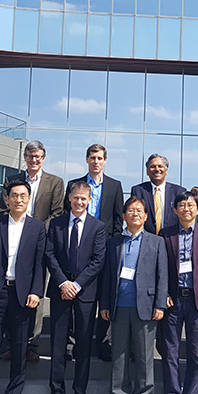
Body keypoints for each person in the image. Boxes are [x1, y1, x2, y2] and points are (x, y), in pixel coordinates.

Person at [0, 181, 46, 394]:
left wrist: (37, 291)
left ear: (29, 199)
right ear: (7, 199)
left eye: (23, 196)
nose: (18, 199)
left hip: (23, 294)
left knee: (19, 346)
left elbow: (40, 263)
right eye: (14, 196)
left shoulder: (37, 227)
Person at [42, 181, 106, 394]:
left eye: (84, 199)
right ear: (69, 198)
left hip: (86, 293)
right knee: (58, 345)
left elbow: (98, 260)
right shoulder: (56, 224)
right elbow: (49, 254)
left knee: (83, 346)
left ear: (89, 200)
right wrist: (63, 282)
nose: (79, 202)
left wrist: (77, 285)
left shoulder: (98, 226)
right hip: (60, 291)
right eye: (76, 198)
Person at [100, 197, 168, 394]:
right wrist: (105, 304)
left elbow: (162, 276)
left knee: (144, 356)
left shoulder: (156, 242)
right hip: (119, 306)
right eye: (131, 210)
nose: (135, 214)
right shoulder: (114, 243)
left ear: (146, 216)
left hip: (146, 308)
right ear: (124, 216)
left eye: (139, 210)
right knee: (119, 354)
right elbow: (107, 277)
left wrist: (159, 304)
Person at [1, 140, 64, 362]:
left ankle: (32, 344)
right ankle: (10, 342)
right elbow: (3, 208)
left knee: (35, 291)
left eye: (38, 156)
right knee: (12, 292)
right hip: (12, 241)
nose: (34, 160)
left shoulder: (55, 182)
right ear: (25, 158)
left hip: (42, 242)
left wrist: (34, 230)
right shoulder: (12, 180)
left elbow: (57, 213)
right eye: (30, 156)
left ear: (43, 158)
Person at [159, 191, 198, 394]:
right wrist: (163, 294)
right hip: (173, 300)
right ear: (175, 210)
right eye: (182, 205)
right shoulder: (166, 234)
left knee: (196, 353)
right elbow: (161, 268)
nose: (186, 209)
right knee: (170, 351)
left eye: (191, 205)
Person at [64, 143, 124, 362]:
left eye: (100, 158)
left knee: (104, 295)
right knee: (77, 294)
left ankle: (102, 342)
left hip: (105, 248)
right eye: (92, 158)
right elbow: (66, 216)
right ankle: (72, 344)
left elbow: (118, 219)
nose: (96, 161)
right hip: (79, 247)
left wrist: (113, 244)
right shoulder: (74, 185)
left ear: (105, 161)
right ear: (87, 160)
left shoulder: (115, 186)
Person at [130, 154, 186, 235]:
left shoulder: (178, 191)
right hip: (147, 240)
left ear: (166, 171)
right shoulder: (138, 191)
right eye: (153, 166)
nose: (157, 169)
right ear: (147, 172)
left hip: (171, 238)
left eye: (160, 166)